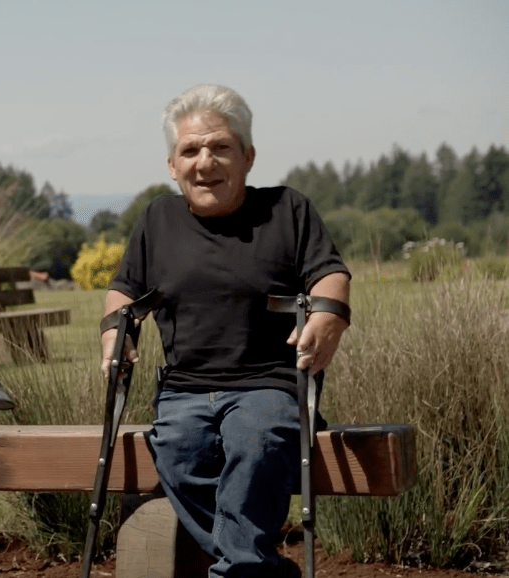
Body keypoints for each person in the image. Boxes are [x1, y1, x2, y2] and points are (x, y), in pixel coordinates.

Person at [101, 84, 351, 578]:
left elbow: (329, 273)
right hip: (184, 389)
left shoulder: (288, 209)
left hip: (269, 385)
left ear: (248, 156)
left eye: (220, 147)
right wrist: (115, 334)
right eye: (190, 150)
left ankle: (239, 571)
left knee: (255, 441)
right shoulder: (157, 218)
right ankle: (254, 568)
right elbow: (124, 290)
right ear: (173, 165)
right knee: (177, 453)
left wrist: (327, 316)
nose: (205, 161)